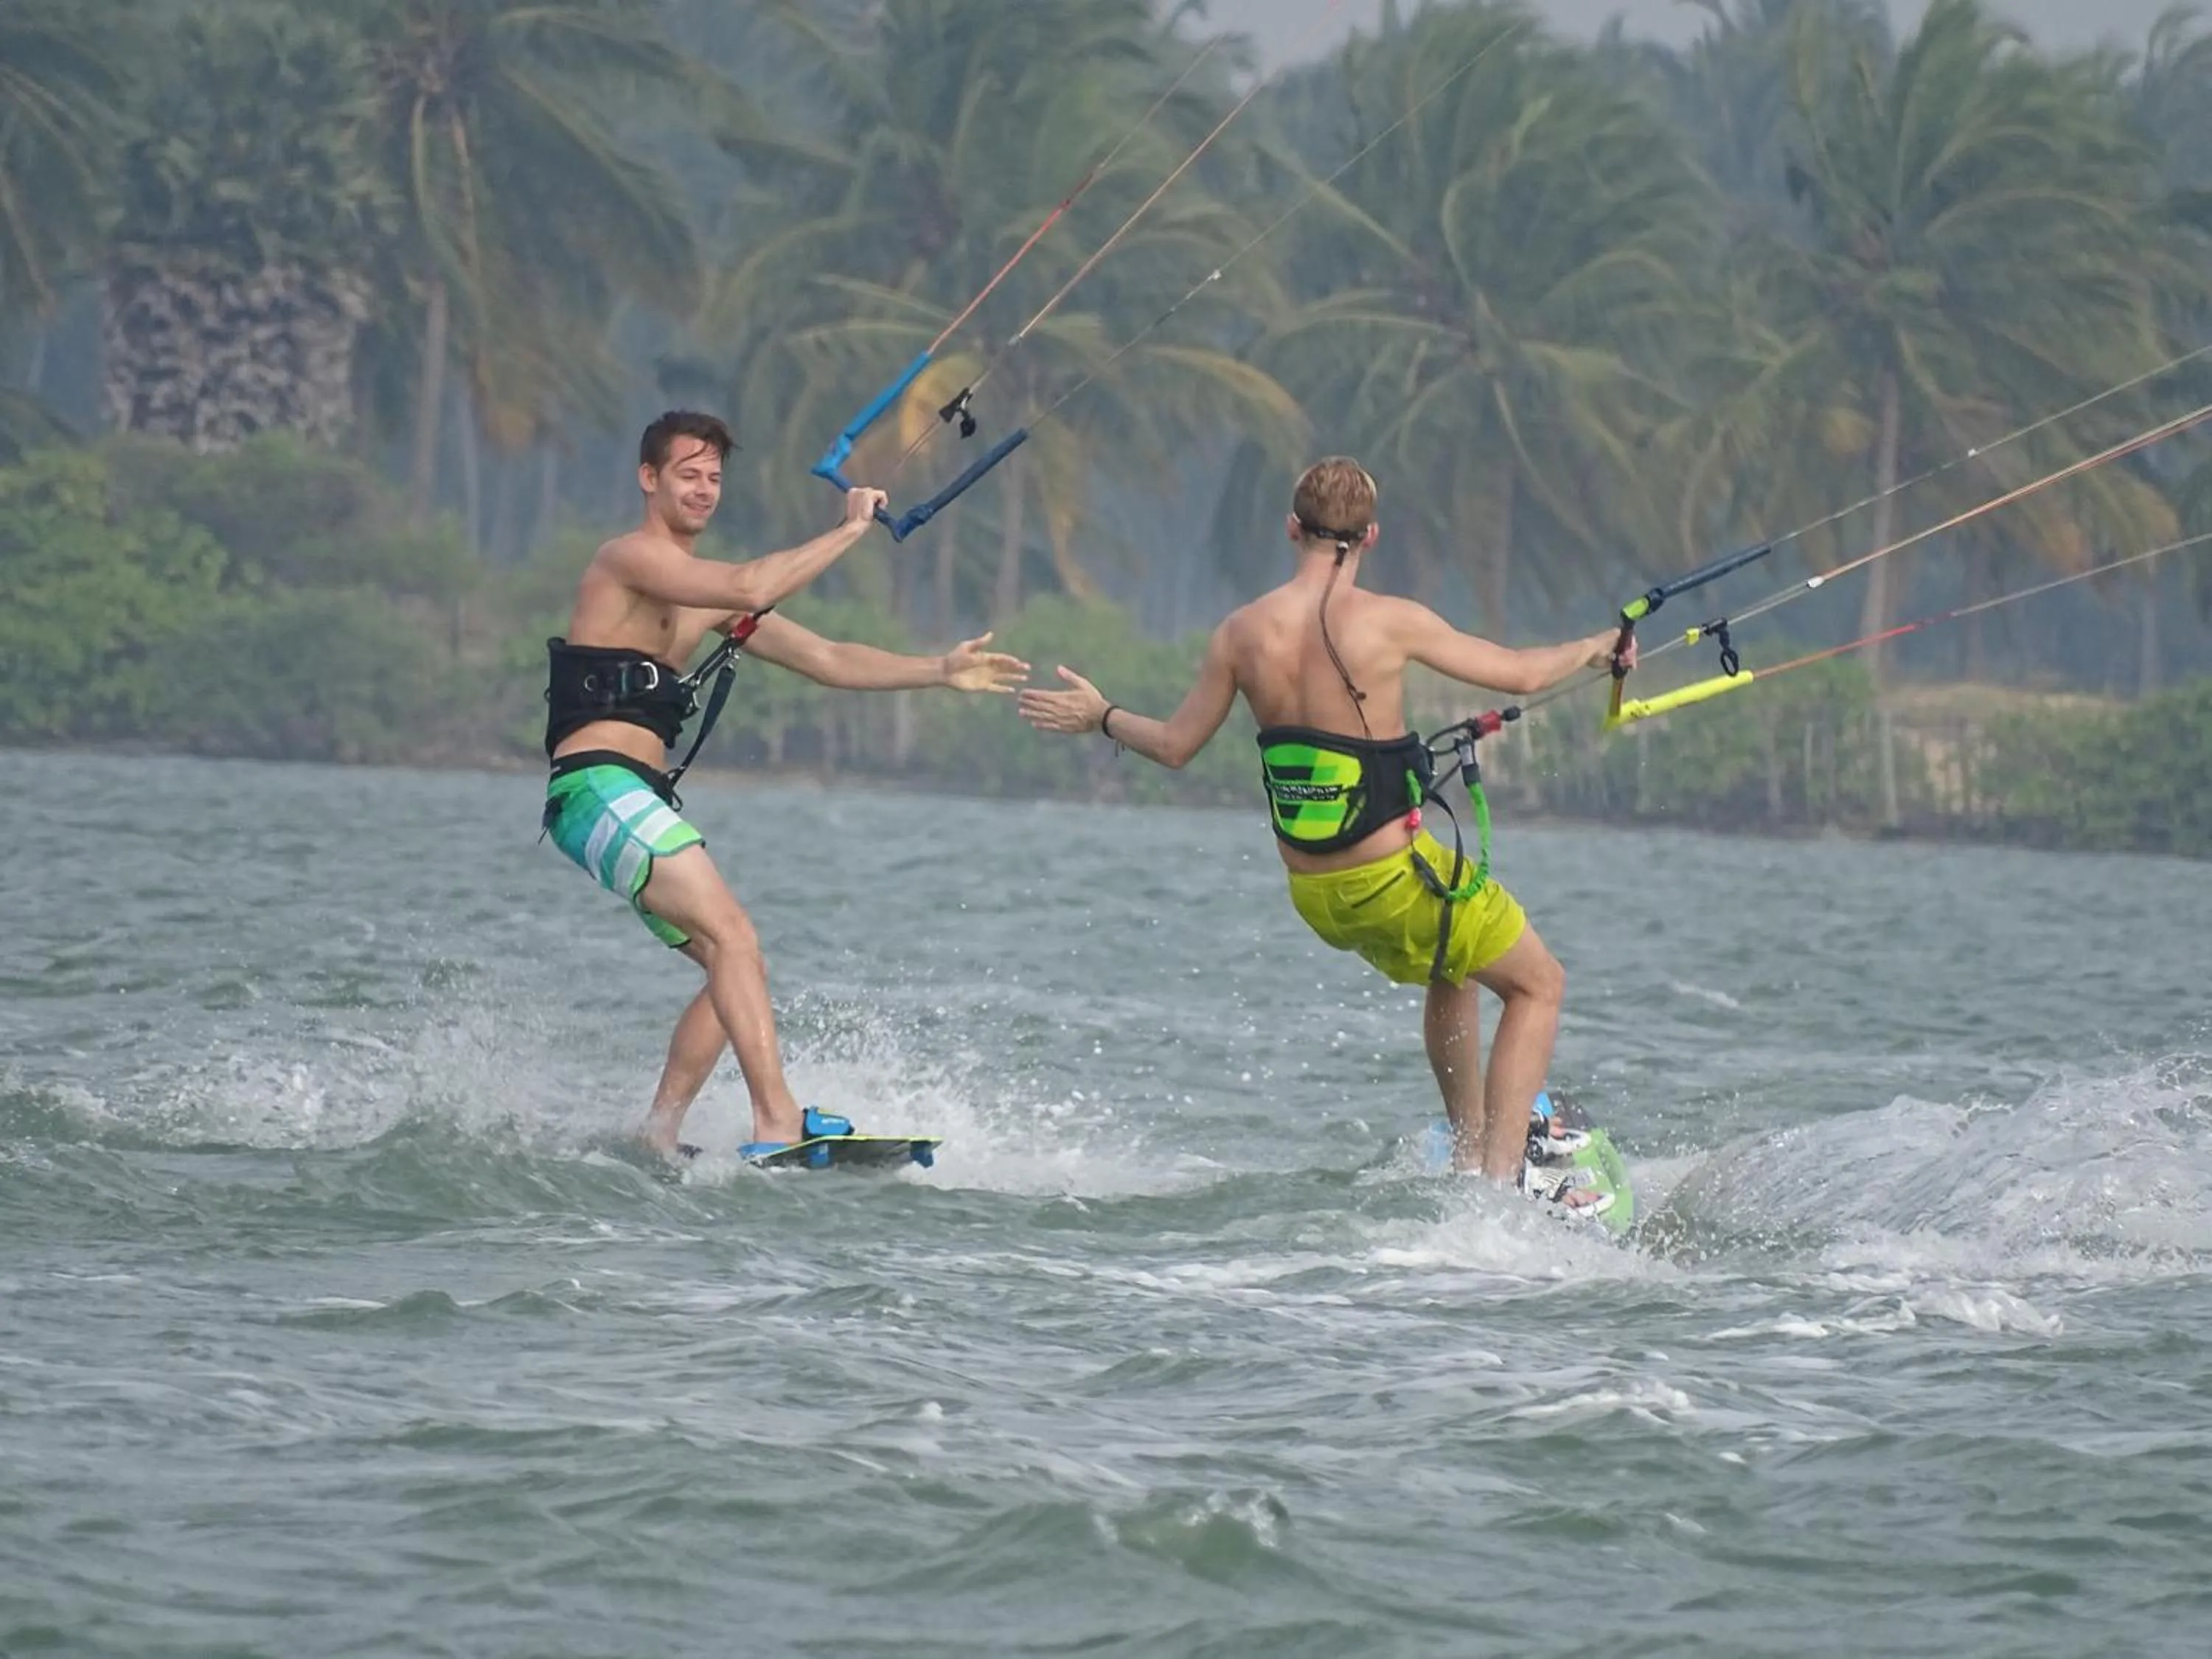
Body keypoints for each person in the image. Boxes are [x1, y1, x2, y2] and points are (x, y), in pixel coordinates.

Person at [1016, 457, 1630, 1195]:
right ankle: (1499, 1189)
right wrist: (1597, 646)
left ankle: (1470, 1155)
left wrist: (1101, 715)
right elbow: (1525, 674)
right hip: (1394, 880)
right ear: (1371, 536)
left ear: (1291, 529)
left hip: (1317, 894)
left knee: (1454, 966)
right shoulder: (1391, 621)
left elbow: (1178, 747)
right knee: (1539, 986)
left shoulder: (1240, 633)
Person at [543, 410, 1028, 1160]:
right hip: (596, 788)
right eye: (687, 475)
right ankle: (778, 1120)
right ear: (649, 479)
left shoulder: (700, 601)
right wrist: (849, 529)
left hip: (629, 797)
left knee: (733, 963)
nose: (704, 491)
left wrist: (939, 669)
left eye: (714, 479)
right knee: (736, 938)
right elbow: (749, 583)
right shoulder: (628, 560)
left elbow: (829, 658)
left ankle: (659, 1135)